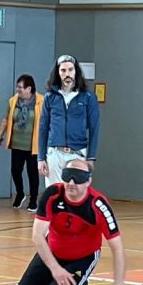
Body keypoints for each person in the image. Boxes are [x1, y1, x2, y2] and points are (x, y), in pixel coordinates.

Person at [13, 159, 125, 285]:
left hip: (82, 257)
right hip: (53, 252)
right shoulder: (52, 195)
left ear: (88, 181)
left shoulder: (98, 205)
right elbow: (37, 236)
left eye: (78, 177)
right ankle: (55, 281)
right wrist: (55, 268)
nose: (72, 182)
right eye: (68, 175)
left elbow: (117, 248)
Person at [37, 54, 100, 188]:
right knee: (54, 194)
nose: (67, 74)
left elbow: (94, 129)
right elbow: (43, 128)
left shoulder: (88, 97)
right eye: (63, 70)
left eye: (70, 70)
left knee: (76, 193)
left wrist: (91, 157)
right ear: (58, 72)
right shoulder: (50, 97)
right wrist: (41, 158)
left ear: (76, 71)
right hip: (55, 153)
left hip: (78, 153)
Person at [0, 74, 44, 211]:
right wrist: (0, 135)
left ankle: (33, 200)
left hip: (33, 145)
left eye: (20, 87)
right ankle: (20, 193)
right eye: (17, 87)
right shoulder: (13, 101)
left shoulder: (41, 101)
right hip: (17, 143)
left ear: (29, 88)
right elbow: (6, 119)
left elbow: (47, 122)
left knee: (32, 173)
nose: (18, 90)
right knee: (15, 170)